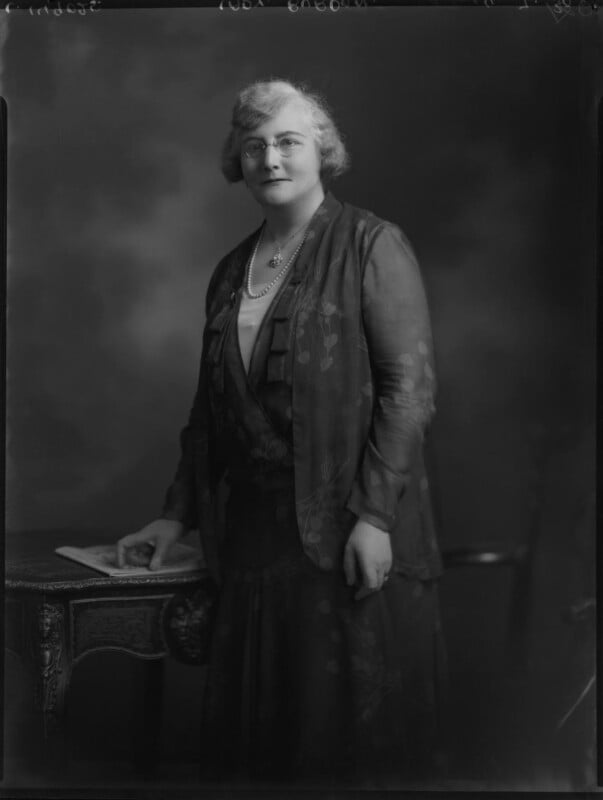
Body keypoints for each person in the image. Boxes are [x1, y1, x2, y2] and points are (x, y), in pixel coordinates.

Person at [117, 79, 446, 785]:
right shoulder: (229, 272)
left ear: (322, 151)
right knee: (260, 747)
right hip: (253, 546)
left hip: (351, 537)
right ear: (237, 159)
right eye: (254, 146)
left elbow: (409, 391)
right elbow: (209, 412)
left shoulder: (371, 244)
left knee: (344, 745)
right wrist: (175, 516)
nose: (270, 159)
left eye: (288, 142)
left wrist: (374, 517)